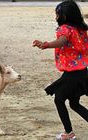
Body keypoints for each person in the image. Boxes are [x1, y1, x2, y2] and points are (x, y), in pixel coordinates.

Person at [32, 0, 88, 140]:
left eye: (57, 14)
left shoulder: (65, 29)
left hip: (73, 74)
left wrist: (46, 44)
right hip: (82, 72)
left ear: (64, 16)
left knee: (59, 99)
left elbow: (62, 41)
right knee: (74, 103)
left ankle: (69, 134)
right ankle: (69, 133)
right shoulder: (81, 30)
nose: (56, 17)